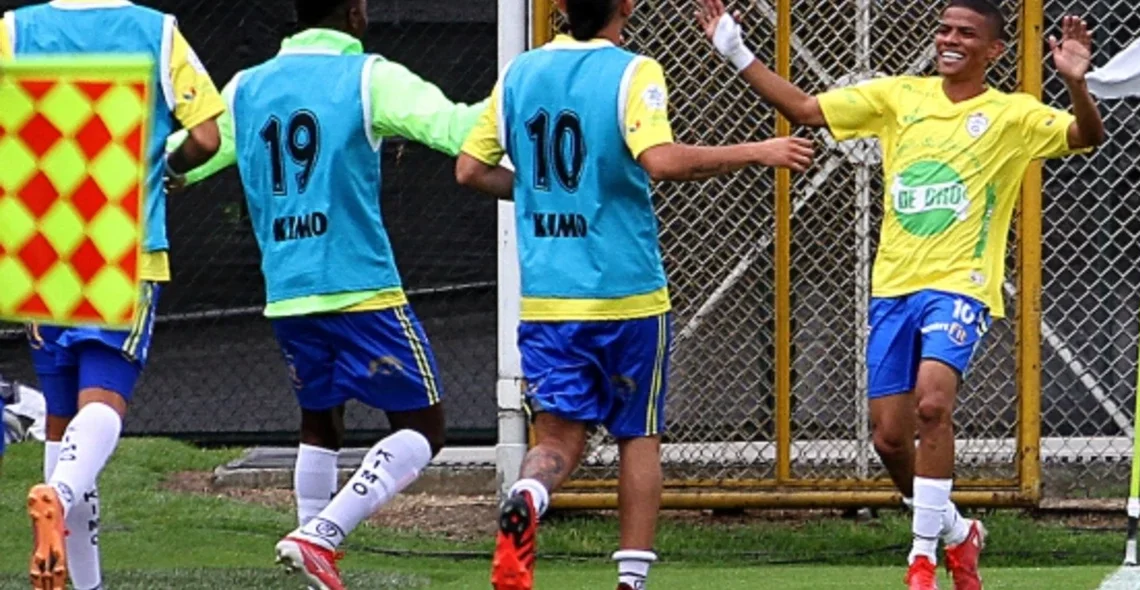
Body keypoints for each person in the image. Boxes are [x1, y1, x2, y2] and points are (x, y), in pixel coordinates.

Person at [695, 0, 1105, 588]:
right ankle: (957, 531)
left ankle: (921, 559)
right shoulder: (898, 97)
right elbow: (804, 109)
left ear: (993, 50)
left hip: (960, 285)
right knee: (889, 438)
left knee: (933, 406)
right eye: (944, 30)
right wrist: (734, 50)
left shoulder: (1012, 114)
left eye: (966, 33)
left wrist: (1076, 85)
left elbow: (1085, 136)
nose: (950, 40)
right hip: (893, 288)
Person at [455, 0, 814, 588]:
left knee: (557, 438)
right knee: (638, 435)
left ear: (560, 7)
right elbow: (662, 161)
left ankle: (530, 493)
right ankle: (631, 579)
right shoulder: (633, 71)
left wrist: (542, 196)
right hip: (627, 298)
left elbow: (470, 169)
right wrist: (759, 151)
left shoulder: (520, 71)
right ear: (625, 6)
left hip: (549, 301)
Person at [166, 0, 485, 587]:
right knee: (424, 428)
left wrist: (144, 168)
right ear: (355, 13)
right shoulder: (369, 77)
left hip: (288, 293)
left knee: (320, 422)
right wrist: (517, 105)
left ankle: (308, 553)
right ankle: (321, 535)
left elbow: (186, 161)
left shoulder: (247, 87)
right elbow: (456, 129)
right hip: (360, 289)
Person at [2, 1, 225, 588]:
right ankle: (57, 493)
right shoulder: (158, 31)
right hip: (121, 245)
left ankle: (82, 578)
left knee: (62, 425)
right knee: (102, 405)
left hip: (41, 251)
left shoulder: (15, 30)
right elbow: (207, 136)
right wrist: (169, 167)